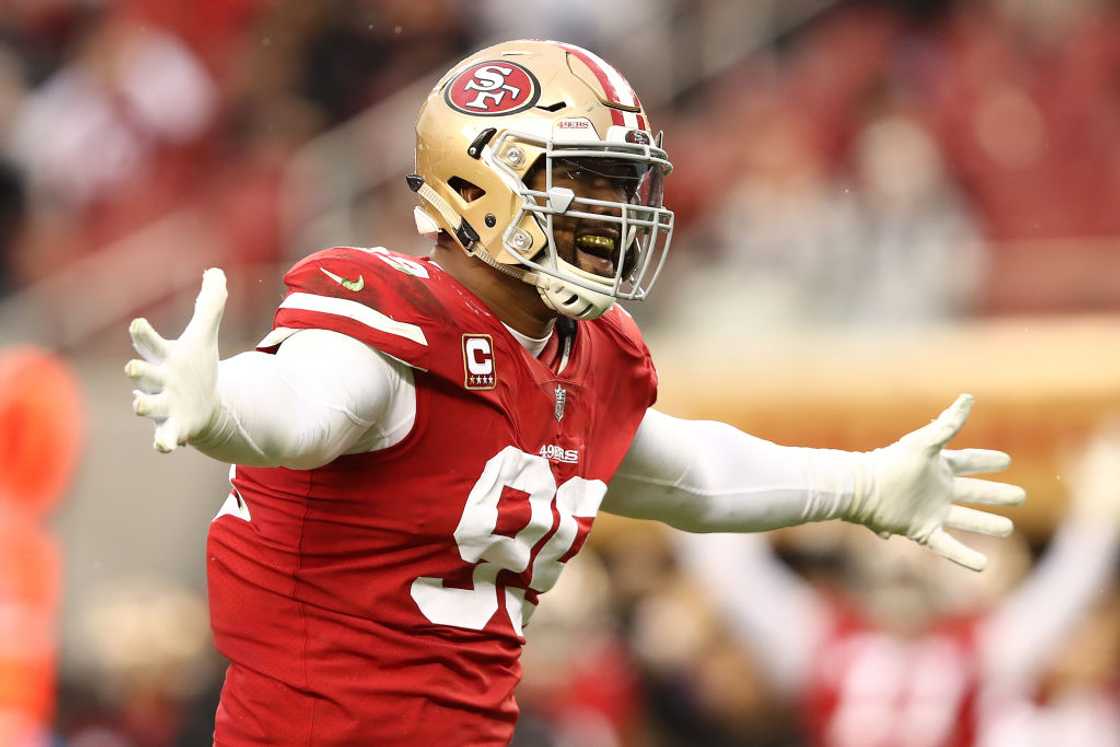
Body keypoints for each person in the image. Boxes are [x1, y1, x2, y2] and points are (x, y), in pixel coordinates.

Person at [124, 40, 1025, 746]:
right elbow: (307, 408)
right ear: (481, 183)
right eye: (585, 183)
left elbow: (692, 473)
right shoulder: (390, 327)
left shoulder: (582, 357)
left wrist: (863, 485)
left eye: (622, 183)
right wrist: (221, 410)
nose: (613, 211)